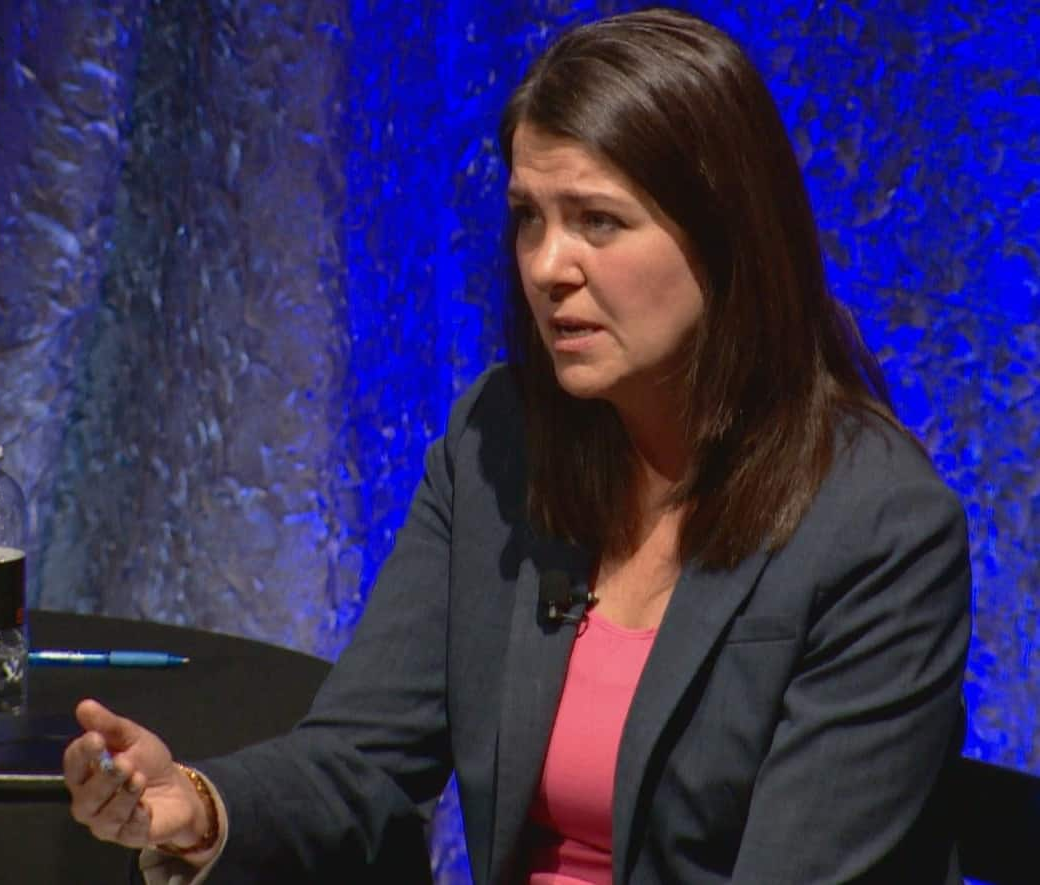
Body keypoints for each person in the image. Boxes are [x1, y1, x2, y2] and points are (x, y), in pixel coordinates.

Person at [64, 8, 971, 884]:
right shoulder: (500, 442)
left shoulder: (878, 525)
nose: (547, 265)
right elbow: (360, 758)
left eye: (598, 221)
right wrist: (199, 805)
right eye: (529, 216)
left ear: (726, 236)